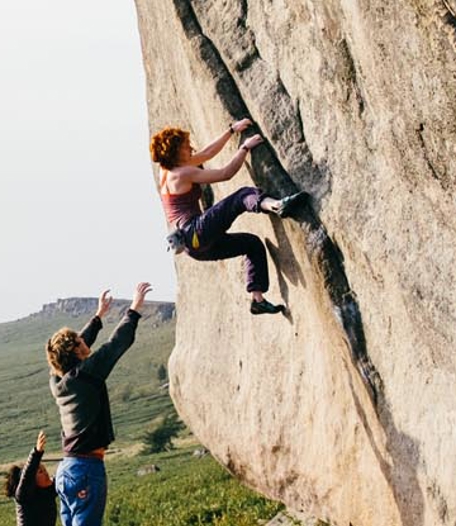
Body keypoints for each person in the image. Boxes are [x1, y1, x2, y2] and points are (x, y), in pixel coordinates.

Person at [151, 118, 305, 314]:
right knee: (241, 196)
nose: (190, 147)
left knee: (252, 244)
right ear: (174, 151)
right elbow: (225, 174)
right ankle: (275, 205)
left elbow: (207, 153)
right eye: (185, 146)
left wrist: (231, 130)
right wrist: (244, 148)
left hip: (194, 248)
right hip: (195, 232)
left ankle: (257, 300)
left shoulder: (166, 170)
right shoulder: (182, 174)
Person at [46, 284, 149, 526]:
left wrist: (98, 316)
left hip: (66, 472)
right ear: (75, 352)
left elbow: (74, 347)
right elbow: (116, 344)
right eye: (79, 343)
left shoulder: (57, 381)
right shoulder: (87, 374)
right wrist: (134, 309)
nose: (85, 343)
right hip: (86, 470)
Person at [4, 430, 58, 526]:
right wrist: (36, 453)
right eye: (41, 472)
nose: (46, 473)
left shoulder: (49, 489)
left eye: (45, 469)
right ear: (32, 480)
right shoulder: (23, 496)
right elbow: (27, 476)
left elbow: (63, 477)